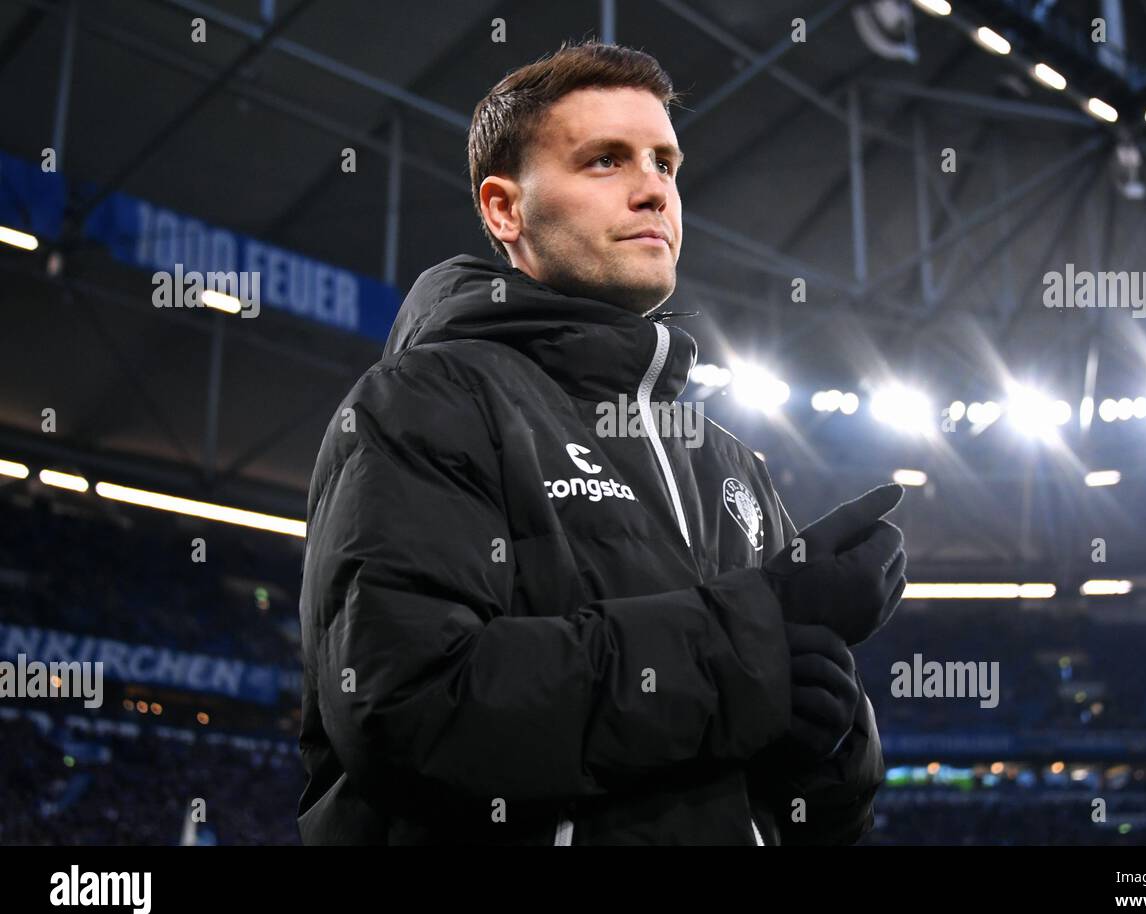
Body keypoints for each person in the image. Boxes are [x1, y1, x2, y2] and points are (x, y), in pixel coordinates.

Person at [297, 39, 906, 845]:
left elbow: (829, 818)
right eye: (605, 161)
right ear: (504, 209)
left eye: (666, 162)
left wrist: (833, 736)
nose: (654, 189)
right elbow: (409, 703)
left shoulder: (730, 462)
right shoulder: (425, 401)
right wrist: (752, 643)